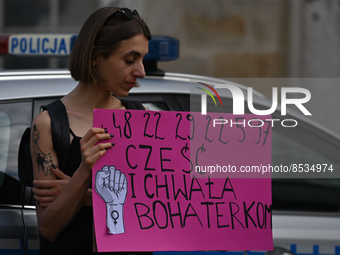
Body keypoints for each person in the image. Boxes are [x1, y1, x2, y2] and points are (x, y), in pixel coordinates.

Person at [30, 6, 151, 255]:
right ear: (96, 57)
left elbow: (157, 209)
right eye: (130, 60)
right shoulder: (48, 124)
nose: (141, 72)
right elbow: (49, 228)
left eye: (142, 60)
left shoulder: (141, 118)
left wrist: (87, 197)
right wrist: (84, 170)